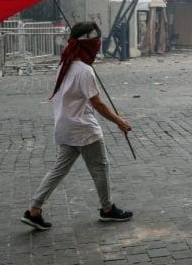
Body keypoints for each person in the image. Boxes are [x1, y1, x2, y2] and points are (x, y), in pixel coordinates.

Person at [21, 21, 133, 230]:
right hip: (83, 129)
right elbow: (97, 103)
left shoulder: (66, 63)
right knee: (100, 168)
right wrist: (119, 121)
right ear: (89, 44)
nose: (98, 45)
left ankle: (34, 209)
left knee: (59, 169)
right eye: (96, 41)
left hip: (65, 126)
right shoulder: (84, 71)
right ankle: (107, 209)